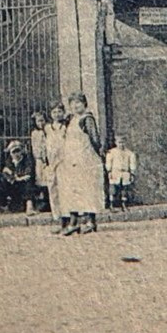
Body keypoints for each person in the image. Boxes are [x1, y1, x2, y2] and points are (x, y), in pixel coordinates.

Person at [54, 92, 106, 235]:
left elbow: (95, 139)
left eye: (78, 103)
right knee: (73, 191)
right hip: (72, 160)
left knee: (88, 189)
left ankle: (90, 221)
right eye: (72, 104)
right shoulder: (71, 119)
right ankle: (73, 223)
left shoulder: (87, 119)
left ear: (84, 104)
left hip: (85, 159)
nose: (76, 106)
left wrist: (96, 155)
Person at [0, 138, 38, 215]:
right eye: (13, 152)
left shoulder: (27, 159)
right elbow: (5, 173)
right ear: (10, 153)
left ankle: (30, 206)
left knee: (28, 182)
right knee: (1, 181)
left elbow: (28, 173)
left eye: (18, 151)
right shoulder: (8, 161)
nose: (16, 154)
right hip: (13, 186)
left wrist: (15, 176)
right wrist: (15, 178)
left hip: (24, 186)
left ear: (22, 151)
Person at [105, 136, 138, 211]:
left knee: (124, 188)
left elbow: (132, 163)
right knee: (113, 188)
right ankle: (111, 205)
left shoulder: (129, 153)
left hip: (125, 172)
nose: (121, 144)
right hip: (115, 172)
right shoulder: (112, 152)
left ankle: (124, 204)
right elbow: (108, 162)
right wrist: (109, 171)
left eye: (123, 142)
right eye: (119, 142)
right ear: (116, 143)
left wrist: (132, 173)